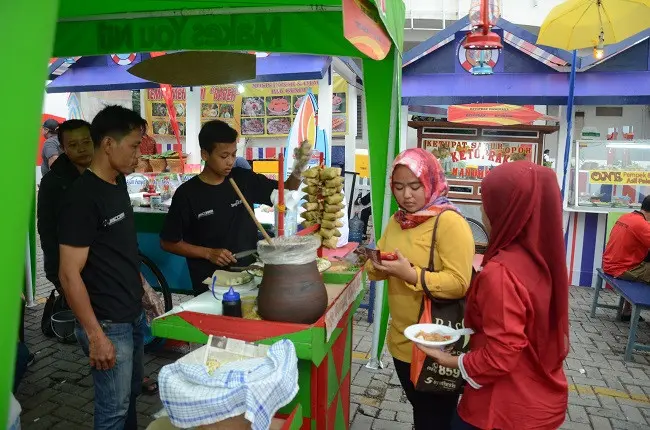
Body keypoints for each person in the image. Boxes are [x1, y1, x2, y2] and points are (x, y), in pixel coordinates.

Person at [417, 162, 569, 430]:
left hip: (500, 409)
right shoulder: (545, 262)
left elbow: (501, 355)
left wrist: (451, 361)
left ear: (507, 210)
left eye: (488, 202)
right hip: (542, 397)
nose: (484, 211)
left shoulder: (500, 273)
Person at [365, 148, 474, 430]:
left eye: (415, 186)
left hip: (436, 342)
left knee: (434, 417)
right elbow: (378, 265)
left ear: (431, 182)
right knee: (423, 412)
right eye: (399, 187)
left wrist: (411, 274)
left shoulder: (449, 222)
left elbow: (461, 282)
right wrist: (377, 265)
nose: (407, 195)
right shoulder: (397, 220)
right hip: (402, 341)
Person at [58, 105, 147, 430]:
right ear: (109, 144)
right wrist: (96, 336)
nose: (139, 153)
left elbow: (119, 249)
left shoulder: (117, 184)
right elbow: (69, 274)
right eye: (134, 145)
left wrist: (143, 290)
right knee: (112, 412)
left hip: (131, 314)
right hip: (107, 323)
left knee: (130, 397)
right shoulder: (82, 198)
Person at [160, 120, 304, 295]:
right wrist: (208, 253)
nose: (230, 162)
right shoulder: (187, 194)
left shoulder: (243, 179)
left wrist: (299, 168)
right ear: (205, 154)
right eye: (223, 156)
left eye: (233, 155)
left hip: (250, 276)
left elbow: (284, 191)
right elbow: (168, 242)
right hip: (211, 285)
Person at [38, 119, 94, 295]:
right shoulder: (53, 182)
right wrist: (58, 275)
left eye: (86, 142)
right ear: (63, 147)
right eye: (73, 144)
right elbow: (46, 230)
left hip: (102, 267)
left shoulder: (104, 173)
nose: (82, 148)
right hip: (70, 270)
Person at [602, 195, 650, 321]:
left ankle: (627, 311)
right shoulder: (642, 225)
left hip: (610, 264)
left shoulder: (626, 217)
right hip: (621, 269)